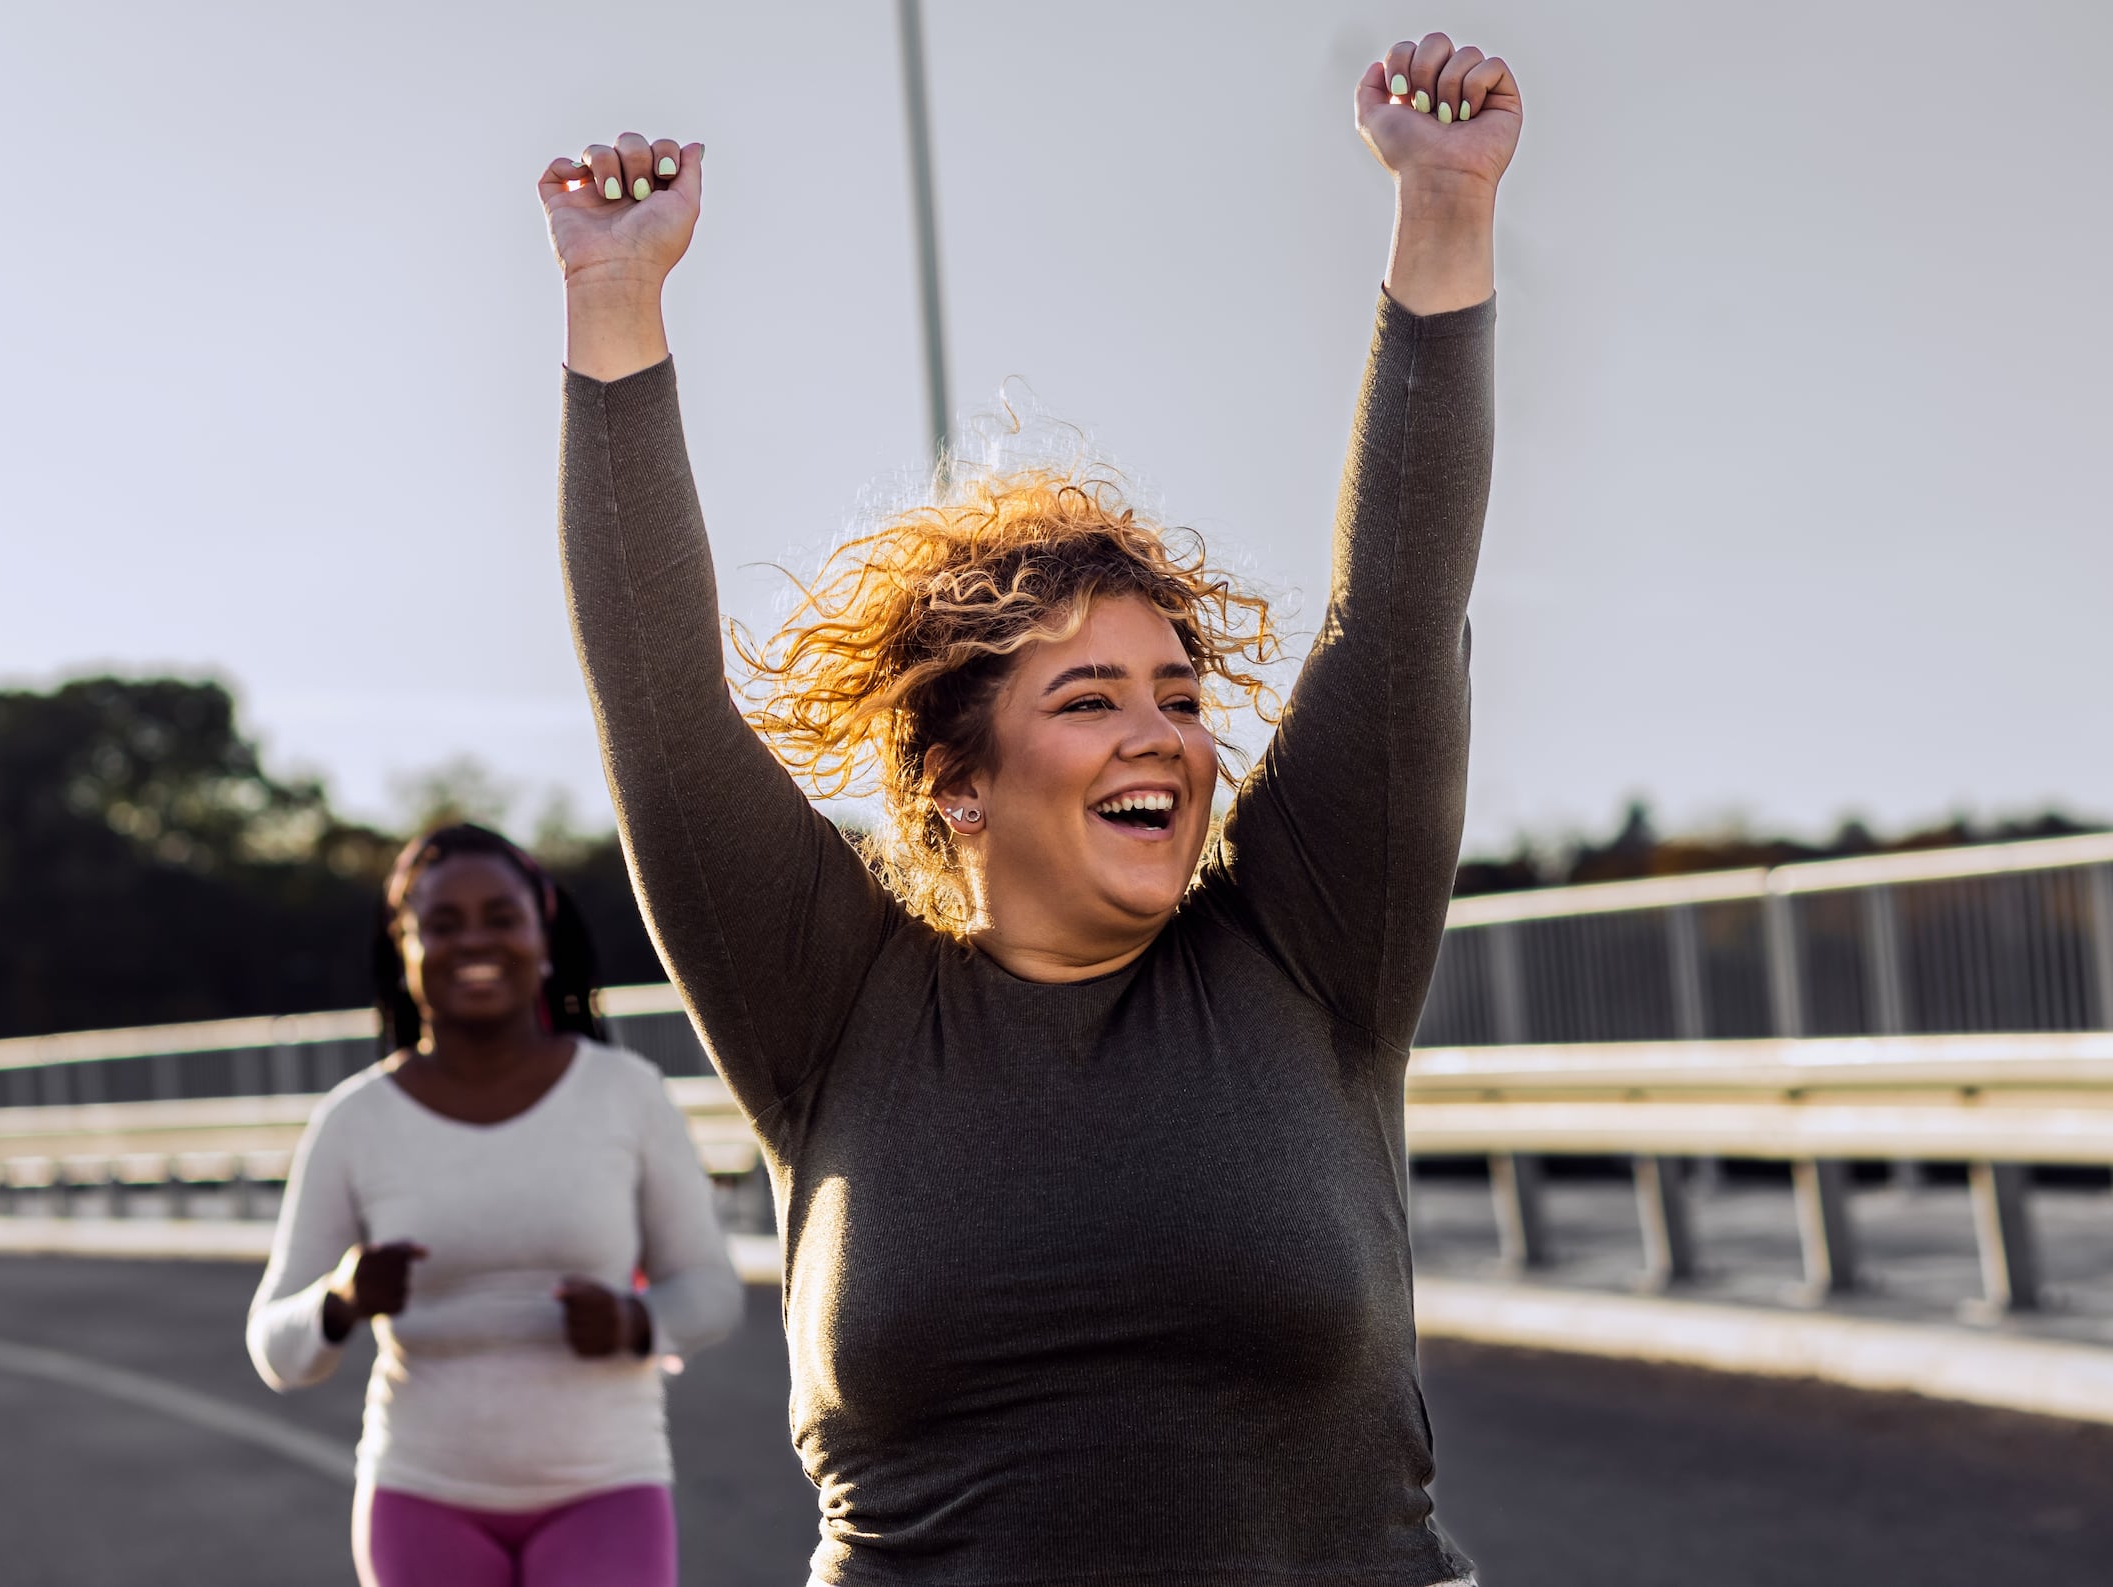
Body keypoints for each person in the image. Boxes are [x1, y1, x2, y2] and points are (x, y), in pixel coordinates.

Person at [538, 29, 1518, 1587]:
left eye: (1180, 695)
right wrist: (613, 300)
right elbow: (659, 713)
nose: (1164, 738)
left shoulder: (1309, 948)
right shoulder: (830, 1006)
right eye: (1091, 699)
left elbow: (1396, 614)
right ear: (959, 782)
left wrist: (1445, 208)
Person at [245, 823, 742, 1587]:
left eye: (501, 917)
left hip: (607, 1488)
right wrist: (339, 1300)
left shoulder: (627, 1094)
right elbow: (275, 1348)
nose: (474, 940)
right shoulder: (353, 1122)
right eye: (443, 924)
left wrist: (635, 1321)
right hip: (420, 1498)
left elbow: (712, 1291)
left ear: (542, 934)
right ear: (405, 946)